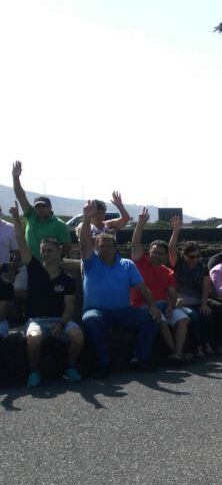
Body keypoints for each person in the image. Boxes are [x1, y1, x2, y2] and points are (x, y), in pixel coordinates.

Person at [77, 200, 161, 373]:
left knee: (152, 318)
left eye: (109, 246)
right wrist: (86, 217)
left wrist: (152, 306)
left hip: (124, 311)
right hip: (97, 312)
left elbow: (142, 287)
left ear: (116, 248)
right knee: (90, 320)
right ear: (96, 248)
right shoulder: (90, 262)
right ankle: (104, 362)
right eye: (101, 246)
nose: (105, 249)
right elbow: (84, 239)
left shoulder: (127, 264)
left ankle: (140, 357)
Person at [9, 206, 83, 386]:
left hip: (60, 320)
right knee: (34, 338)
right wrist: (16, 219)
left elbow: (69, 308)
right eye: (43, 250)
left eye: (49, 250)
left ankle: (70, 367)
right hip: (36, 321)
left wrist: (62, 323)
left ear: (59, 252)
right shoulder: (34, 269)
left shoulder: (67, 280)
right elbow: (21, 242)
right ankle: (34, 371)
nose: (45, 253)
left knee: (78, 336)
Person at [131, 208, 191, 362]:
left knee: (183, 319)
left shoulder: (168, 272)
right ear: (149, 252)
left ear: (165, 256)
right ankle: (175, 354)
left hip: (164, 304)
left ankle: (178, 353)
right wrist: (141, 223)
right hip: (143, 305)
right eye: (154, 252)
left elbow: (172, 294)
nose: (157, 255)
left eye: (160, 253)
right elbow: (135, 243)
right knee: (161, 320)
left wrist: (171, 307)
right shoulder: (140, 262)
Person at [11, 161, 72, 261]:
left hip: (49, 267)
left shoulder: (59, 225)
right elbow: (20, 195)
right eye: (37, 206)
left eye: (43, 206)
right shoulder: (31, 216)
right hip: (29, 265)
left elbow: (67, 247)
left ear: (50, 207)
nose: (40, 209)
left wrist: (54, 260)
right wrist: (15, 177)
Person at [171, 239, 216, 357]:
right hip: (182, 302)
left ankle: (207, 344)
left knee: (207, 315)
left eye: (197, 256)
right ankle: (198, 347)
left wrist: (204, 303)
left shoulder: (202, 267)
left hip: (197, 300)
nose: (195, 259)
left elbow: (205, 287)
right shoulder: (179, 265)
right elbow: (171, 248)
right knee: (193, 317)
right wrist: (176, 230)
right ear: (184, 256)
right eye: (192, 257)